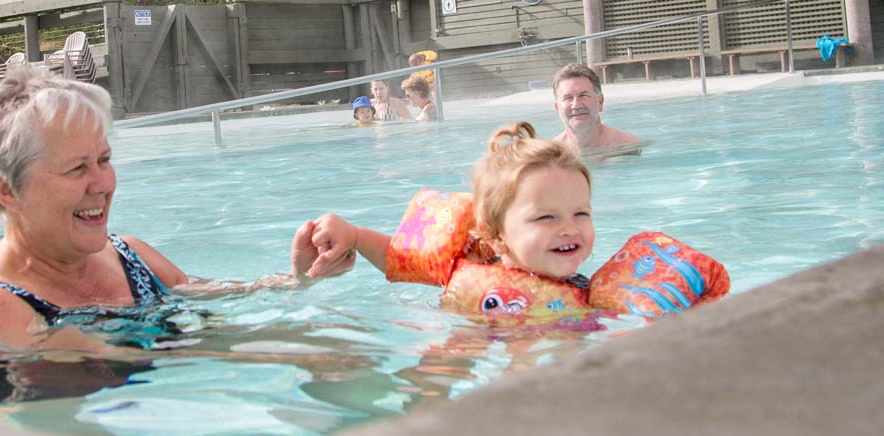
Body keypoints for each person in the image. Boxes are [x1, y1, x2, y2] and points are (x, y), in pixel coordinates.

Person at [0, 65, 333, 351]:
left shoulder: (130, 255)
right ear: (7, 190)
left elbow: (210, 293)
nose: (103, 183)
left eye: (105, 160)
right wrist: (287, 351)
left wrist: (297, 278)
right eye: (77, 168)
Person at [293, 122, 729, 320]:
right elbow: (404, 257)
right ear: (495, 237)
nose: (570, 228)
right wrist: (350, 234)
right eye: (545, 217)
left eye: (582, 213)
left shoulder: (590, 293)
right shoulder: (470, 278)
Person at [551, 64, 643, 158]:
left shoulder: (628, 146)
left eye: (583, 95)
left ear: (600, 102)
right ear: (557, 108)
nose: (576, 105)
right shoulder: (550, 155)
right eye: (568, 98)